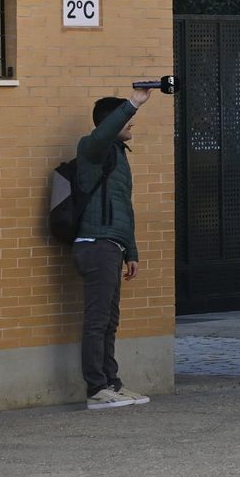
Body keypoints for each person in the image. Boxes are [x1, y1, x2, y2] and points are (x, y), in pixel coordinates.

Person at [75, 88, 153, 409]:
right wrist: (133, 102)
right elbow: (103, 132)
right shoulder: (92, 148)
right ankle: (96, 389)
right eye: (126, 118)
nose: (132, 124)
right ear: (111, 122)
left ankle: (111, 384)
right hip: (95, 244)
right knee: (97, 320)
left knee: (109, 320)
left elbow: (125, 208)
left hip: (113, 245)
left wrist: (130, 251)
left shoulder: (118, 156)